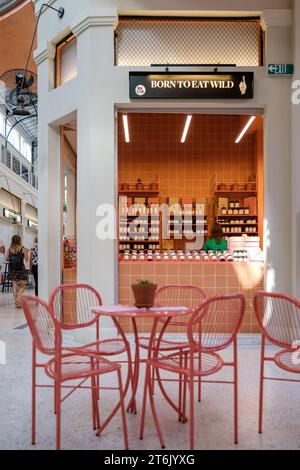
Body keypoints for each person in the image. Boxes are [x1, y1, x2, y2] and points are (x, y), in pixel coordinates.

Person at [5, 235, 29, 308]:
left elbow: (6, 259)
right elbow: (27, 259)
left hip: (12, 269)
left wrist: (11, 259)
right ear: (19, 240)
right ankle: (19, 296)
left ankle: (17, 302)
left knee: (14, 286)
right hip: (20, 269)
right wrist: (26, 253)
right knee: (23, 285)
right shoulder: (23, 248)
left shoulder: (10, 249)